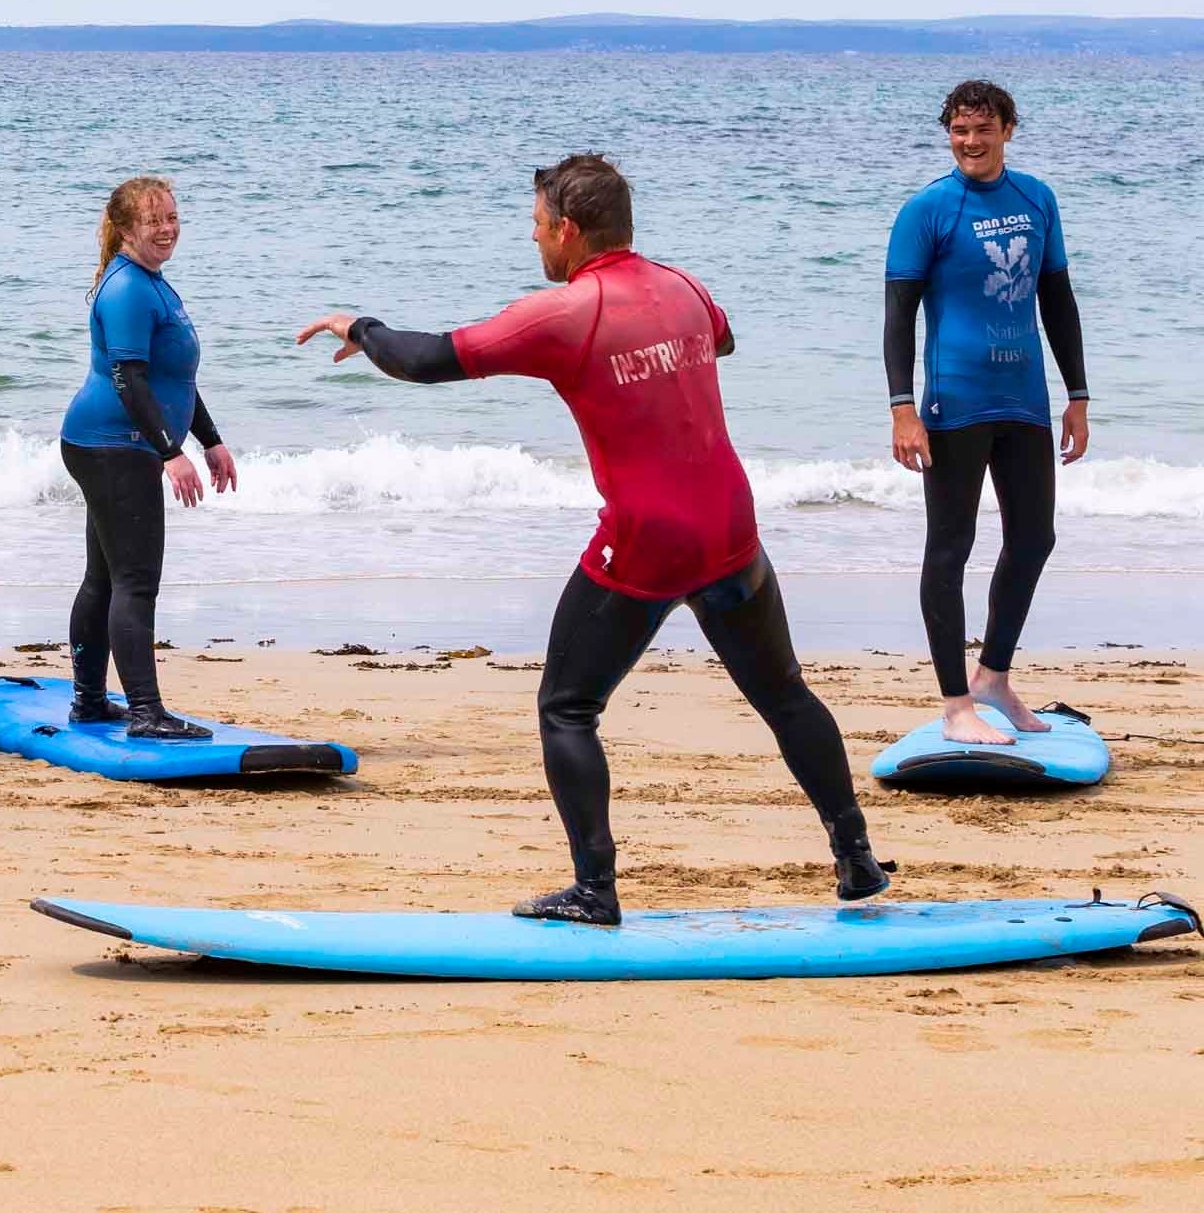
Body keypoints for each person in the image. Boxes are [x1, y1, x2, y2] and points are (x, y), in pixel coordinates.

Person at [297, 154, 888, 926]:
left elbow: (425, 359)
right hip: (732, 525)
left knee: (566, 707)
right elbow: (723, 341)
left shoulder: (565, 314)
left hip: (647, 537)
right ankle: (855, 857)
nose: (534, 238)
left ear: (568, 230)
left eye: (538, 224)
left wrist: (360, 326)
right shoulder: (683, 285)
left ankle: (593, 889)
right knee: (783, 695)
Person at [885, 80, 1089, 745]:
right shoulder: (927, 210)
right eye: (959, 130)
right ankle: (955, 706)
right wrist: (902, 408)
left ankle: (993, 677)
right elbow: (899, 316)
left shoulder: (1037, 200)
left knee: (1034, 539)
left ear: (1008, 129)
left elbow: (1057, 299)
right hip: (954, 402)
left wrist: (1077, 395)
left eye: (983, 129)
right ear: (948, 132)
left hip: (1025, 398)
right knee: (950, 547)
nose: (971, 141)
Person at [58, 177, 238, 738]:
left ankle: (89, 703)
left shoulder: (152, 282)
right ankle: (145, 713)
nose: (167, 229)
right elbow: (128, 379)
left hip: (114, 444)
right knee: (134, 581)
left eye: (173, 218)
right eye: (154, 220)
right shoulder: (129, 290)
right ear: (126, 229)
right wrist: (169, 451)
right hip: (116, 447)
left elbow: (173, 376)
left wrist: (208, 438)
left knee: (106, 579)